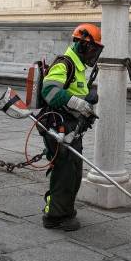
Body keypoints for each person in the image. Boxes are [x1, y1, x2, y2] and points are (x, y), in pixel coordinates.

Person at [38, 23, 103, 231]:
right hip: (58, 126)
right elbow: (49, 91)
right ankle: (54, 216)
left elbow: (74, 93)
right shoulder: (65, 63)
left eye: (96, 50)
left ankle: (64, 210)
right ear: (81, 44)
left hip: (71, 128)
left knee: (73, 172)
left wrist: (86, 107)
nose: (93, 53)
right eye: (91, 48)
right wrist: (80, 103)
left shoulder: (78, 66)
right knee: (64, 172)